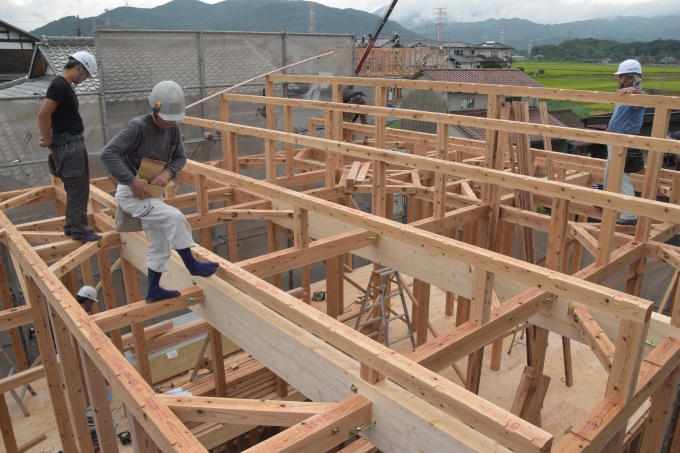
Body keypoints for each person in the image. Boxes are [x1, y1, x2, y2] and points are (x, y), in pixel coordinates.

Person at [99, 81, 219, 303]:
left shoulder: (172, 127)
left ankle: (153, 291)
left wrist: (168, 172)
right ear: (155, 110)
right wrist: (131, 180)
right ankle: (191, 263)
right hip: (133, 193)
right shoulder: (137, 127)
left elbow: (180, 157)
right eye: (167, 118)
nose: (171, 123)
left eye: (174, 118)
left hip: (152, 192)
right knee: (175, 217)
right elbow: (107, 154)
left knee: (161, 241)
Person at [37, 51, 101, 242]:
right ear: (78, 67)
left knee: (79, 188)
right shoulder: (59, 85)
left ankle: (71, 227)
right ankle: (79, 232)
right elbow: (43, 114)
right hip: (68, 146)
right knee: (77, 190)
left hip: (72, 144)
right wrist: (47, 139)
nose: (85, 78)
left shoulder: (65, 86)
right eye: (86, 74)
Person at [603, 59, 646, 226]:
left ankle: (629, 215)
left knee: (621, 177)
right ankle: (606, 202)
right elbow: (619, 116)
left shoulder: (637, 94)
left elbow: (649, 100)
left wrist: (635, 90)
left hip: (624, 141)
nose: (618, 80)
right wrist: (609, 127)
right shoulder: (624, 93)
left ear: (631, 77)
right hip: (614, 138)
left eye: (621, 77)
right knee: (609, 174)